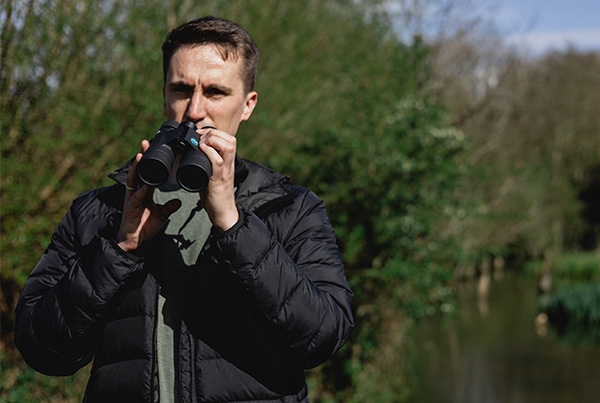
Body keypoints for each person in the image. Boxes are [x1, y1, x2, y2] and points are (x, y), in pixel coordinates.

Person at [15, 16, 354, 403]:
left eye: (215, 92)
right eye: (181, 89)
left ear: (248, 105)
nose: (195, 111)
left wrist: (234, 224)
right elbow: (42, 350)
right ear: (164, 96)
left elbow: (321, 340)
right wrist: (119, 247)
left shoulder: (291, 209)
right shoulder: (98, 211)